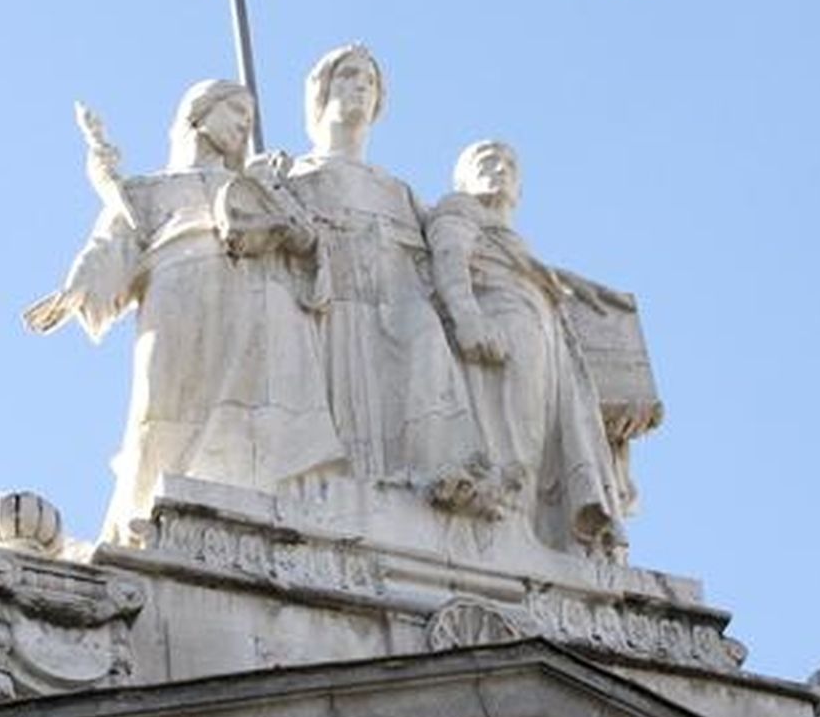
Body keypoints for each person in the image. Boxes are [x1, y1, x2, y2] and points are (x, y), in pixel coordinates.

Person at [27, 80, 344, 541]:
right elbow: (109, 247)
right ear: (198, 114)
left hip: (256, 300)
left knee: (260, 416)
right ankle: (139, 522)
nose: (244, 124)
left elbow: (308, 246)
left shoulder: (253, 187)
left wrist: (275, 200)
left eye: (250, 118)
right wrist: (75, 290)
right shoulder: (147, 191)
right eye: (235, 110)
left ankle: (264, 510)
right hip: (178, 293)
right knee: (161, 410)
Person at [264, 46, 485, 496]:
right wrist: (262, 189)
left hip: (395, 305)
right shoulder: (293, 175)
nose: (361, 86)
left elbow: (444, 250)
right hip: (327, 303)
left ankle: (439, 476)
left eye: (369, 80)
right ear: (321, 91)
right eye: (348, 75)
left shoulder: (396, 190)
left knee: (426, 345)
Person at [427, 140, 627, 554]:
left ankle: (528, 526)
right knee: (515, 426)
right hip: (503, 323)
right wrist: (467, 317)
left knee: (539, 430)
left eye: (508, 166)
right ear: (462, 179)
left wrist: (568, 284)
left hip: (541, 332)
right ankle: (509, 524)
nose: (499, 169)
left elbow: (524, 267)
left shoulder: (509, 238)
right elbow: (449, 260)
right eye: (486, 162)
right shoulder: (459, 210)